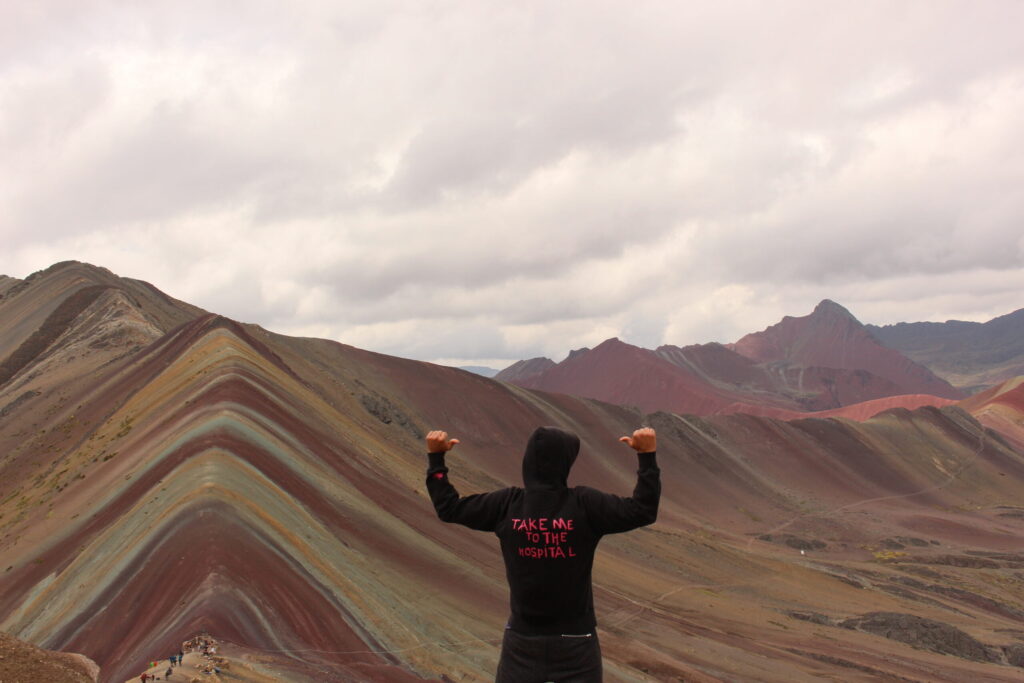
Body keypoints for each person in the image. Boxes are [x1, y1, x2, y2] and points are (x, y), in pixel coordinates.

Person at [425, 425, 660, 682]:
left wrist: (436, 460)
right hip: (576, 643)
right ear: (565, 463)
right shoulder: (584, 504)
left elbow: (448, 508)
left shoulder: (507, 505)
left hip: (522, 640)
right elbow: (642, 510)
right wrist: (646, 456)